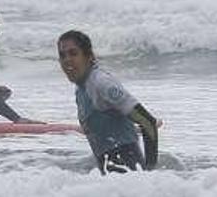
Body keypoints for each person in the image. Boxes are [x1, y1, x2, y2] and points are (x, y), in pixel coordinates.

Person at [57, 30, 159, 174]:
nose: (67, 60)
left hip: (130, 178)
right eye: (62, 55)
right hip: (113, 182)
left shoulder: (102, 83)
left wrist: (150, 172)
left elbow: (148, 122)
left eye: (73, 53)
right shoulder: (81, 88)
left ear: (89, 56)